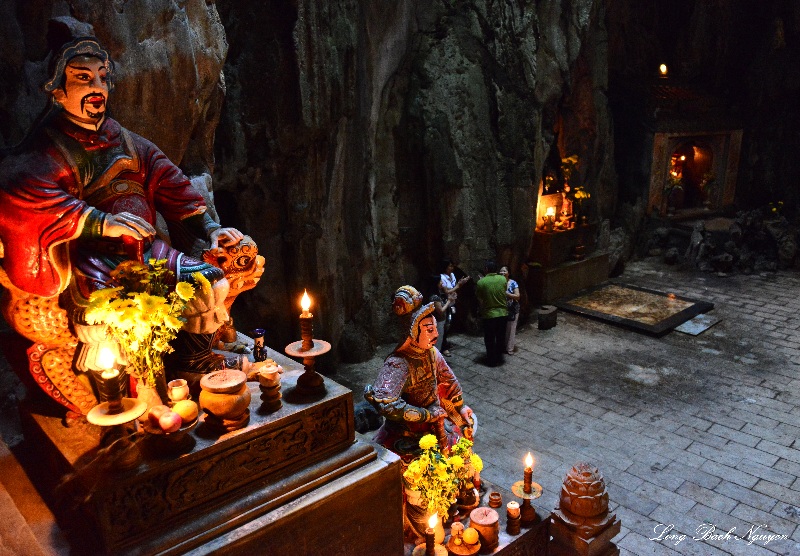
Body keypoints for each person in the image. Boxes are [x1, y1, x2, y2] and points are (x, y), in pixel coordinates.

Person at [0, 33, 244, 384]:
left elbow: (172, 182)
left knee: (211, 282)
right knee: (111, 318)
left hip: (148, 251)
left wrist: (210, 228)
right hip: (94, 259)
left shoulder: (126, 139)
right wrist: (102, 222)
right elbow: (21, 190)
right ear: (57, 90)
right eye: (83, 78)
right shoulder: (50, 147)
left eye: (102, 77)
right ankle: (128, 389)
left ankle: (193, 362)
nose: (97, 86)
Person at [365, 285, 475, 461]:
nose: (436, 334)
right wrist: (427, 415)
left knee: (462, 451)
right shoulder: (398, 364)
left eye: (435, 328)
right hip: (405, 435)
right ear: (413, 333)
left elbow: (449, 382)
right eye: (429, 330)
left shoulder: (433, 353)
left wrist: (461, 408)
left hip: (436, 428)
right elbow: (387, 405)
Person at [475, 260, 508, 366]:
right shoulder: (502, 279)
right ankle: (499, 357)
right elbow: (504, 291)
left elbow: (480, 300)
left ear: (486, 269)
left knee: (489, 338)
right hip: (502, 314)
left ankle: (491, 360)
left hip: (489, 315)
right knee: (500, 337)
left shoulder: (481, 282)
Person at [438, 259, 470, 356]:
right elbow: (447, 291)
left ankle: (445, 343)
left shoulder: (452, 275)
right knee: (444, 325)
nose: (452, 268)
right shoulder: (441, 278)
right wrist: (459, 285)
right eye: (450, 266)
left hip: (452, 302)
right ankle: (443, 347)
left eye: (452, 266)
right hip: (444, 302)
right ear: (445, 267)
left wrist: (461, 283)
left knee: (449, 323)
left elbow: (454, 287)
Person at [500, 266, 520, 355]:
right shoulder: (498, 283)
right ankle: (502, 346)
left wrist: (507, 294)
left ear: (509, 273)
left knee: (511, 328)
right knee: (503, 328)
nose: (502, 273)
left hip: (512, 309)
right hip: (501, 309)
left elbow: (517, 296)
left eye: (504, 271)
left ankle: (510, 348)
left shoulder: (513, 283)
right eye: (501, 271)